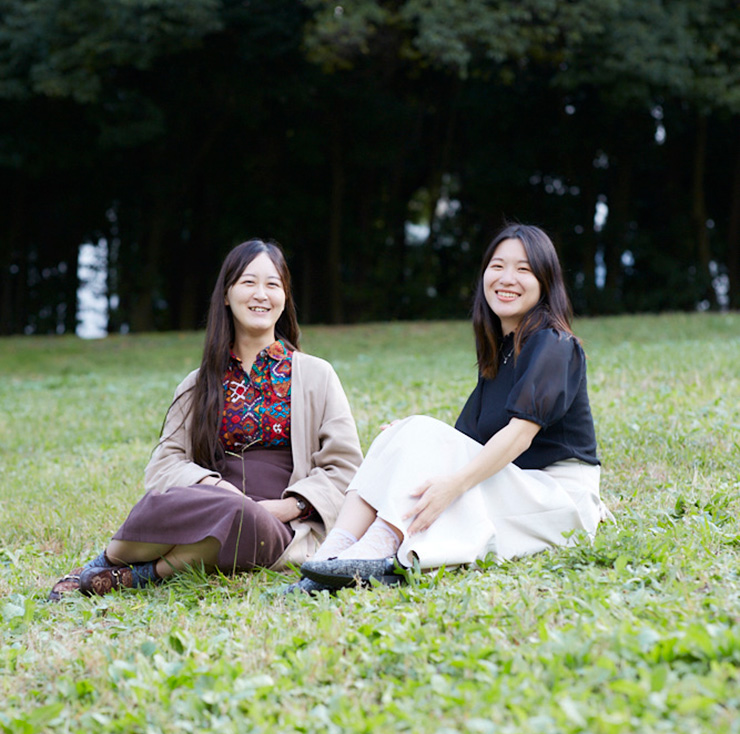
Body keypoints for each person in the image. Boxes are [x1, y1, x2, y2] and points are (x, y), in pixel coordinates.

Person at [294, 223, 612, 592]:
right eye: (498, 266)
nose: (507, 278)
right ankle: (334, 551)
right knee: (404, 431)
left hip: (556, 499)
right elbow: (459, 442)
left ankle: (377, 548)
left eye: (523, 269)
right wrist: (404, 438)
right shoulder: (503, 352)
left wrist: (454, 486)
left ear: (545, 282)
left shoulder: (553, 344)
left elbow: (519, 436)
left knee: (421, 435)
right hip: (517, 486)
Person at [50, 239, 362, 599]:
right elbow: (165, 465)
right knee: (166, 503)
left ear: (284, 298)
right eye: (248, 282)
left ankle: (144, 574)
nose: (261, 294)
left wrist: (288, 507)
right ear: (227, 296)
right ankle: (103, 563)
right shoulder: (198, 383)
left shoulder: (316, 375)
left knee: (236, 519)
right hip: (210, 503)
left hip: (278, 526)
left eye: (272, 284)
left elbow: (346, 468)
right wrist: (216, 488)